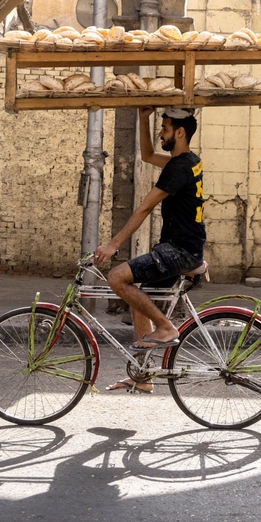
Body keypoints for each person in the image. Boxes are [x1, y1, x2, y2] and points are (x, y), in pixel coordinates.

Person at [93, 106, 205, 393]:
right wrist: (143, 119)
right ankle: (142, 376)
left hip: (178, 250)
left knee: (118, 277)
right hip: (184, 247)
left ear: (180, 133)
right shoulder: (187, 161)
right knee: (139, 294)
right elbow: (146, 155)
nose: (160, 133)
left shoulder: (178, 168)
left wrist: (113, 244)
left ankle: (166, 328)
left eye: (165, 128)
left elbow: (144, 208)